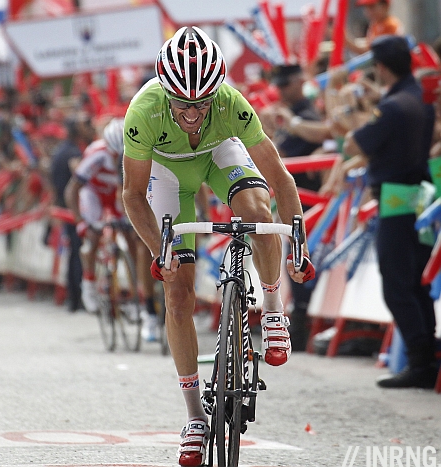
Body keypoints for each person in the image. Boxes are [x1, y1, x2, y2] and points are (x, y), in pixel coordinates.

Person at [121, 26, 315, 466]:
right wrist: (159, 251)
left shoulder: (230, 105)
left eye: (202, 102)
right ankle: (193, 417)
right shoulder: (144, 112)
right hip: (168, 174)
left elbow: (281, 179)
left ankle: (271, 307)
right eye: (183, 104)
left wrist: (298, 243)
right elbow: (132, 196)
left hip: (219, 153)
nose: (192, 113)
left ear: (217, 92)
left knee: (259, 215)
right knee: (178, 293)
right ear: (165, 94)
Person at [325, 35, 438, 389]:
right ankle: (427, 355)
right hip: (418, 195)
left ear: (381, 67)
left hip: (394, 198)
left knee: (397, 284)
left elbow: (355, 141)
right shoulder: (419, 97)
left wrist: (348, 110)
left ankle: (421, 361)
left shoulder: (391, 108)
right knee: (415, 279)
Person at [64, 118, 157, 336]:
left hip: (117, 193)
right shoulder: (97, 154)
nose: (117, 159)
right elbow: (72, 189)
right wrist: (81, 221)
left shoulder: (135, 152)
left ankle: (137, 295)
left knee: (133, 236)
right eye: (115, 155)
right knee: (94, 234)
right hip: (93, 193)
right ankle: (88, 281)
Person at [260, 64, 330, 351]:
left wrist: (278, 127)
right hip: (299, 204)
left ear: (300, 83)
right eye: (278, 84)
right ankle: (299, 323)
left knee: (301, 262)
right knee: (295, 263)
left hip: (308, 206)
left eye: (286, 84)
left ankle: (301, 327)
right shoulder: (294, 114)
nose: (281, 90)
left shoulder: (305, 114)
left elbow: (280, 153)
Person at [49, 115, 96, 312]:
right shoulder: (73, 153)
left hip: (64, 205)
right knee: (79, 252)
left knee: (73, 253)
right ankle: (78, 298)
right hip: (75, 208)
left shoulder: (58, 152)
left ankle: (73, 299)